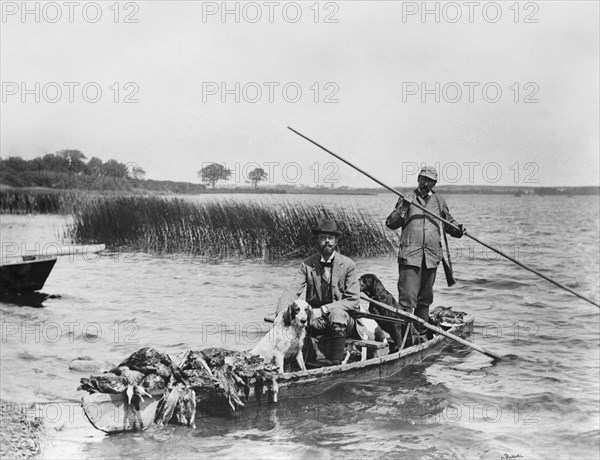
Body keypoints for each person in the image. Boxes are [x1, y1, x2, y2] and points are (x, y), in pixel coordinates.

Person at [385, 166, 465, 335]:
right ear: (418, 179)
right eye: (423, 179)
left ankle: (420, 335)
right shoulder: (407, 198)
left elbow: (449, 223)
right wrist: (404, 208)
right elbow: (391, 224)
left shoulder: (439, 200)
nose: (425, 183)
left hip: (431, 257)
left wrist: (458, 229)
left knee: (425, 300)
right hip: (410, 257)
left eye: (430, 180)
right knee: (407, 300)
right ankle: (404, 337)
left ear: (434, 183)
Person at [276, 220, 360, 365]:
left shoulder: (348, 265)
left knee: (337, 312)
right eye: (322, 238)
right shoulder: (307, 264)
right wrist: (280, 312)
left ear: (336, 241)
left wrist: (323, 309)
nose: (326, 241)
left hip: (343, 321)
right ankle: (297, 360)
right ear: (318, 240)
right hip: (315, 320)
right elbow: (292, 290)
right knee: (298, 316)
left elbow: (353, 301)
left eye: (330, 238)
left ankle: (336, 364)